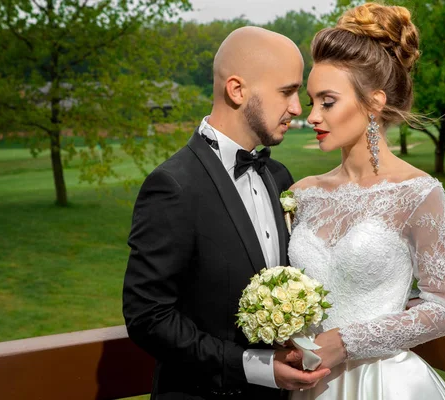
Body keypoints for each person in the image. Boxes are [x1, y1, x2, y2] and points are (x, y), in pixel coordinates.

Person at [123, 26, 331, 400]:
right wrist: (253, 366)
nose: (298, 108)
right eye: (287, 92)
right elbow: (148, 317)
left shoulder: (279, 176)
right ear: (237, 90)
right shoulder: (173, 186)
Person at [288, 3, 445, 399]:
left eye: (326, 101)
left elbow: (443, 308)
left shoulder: (419, 193)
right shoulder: (302, 194)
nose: (311, 116)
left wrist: (346, 342)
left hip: (384, 384)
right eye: (310, 101)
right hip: (310, 385)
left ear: (375, 102)